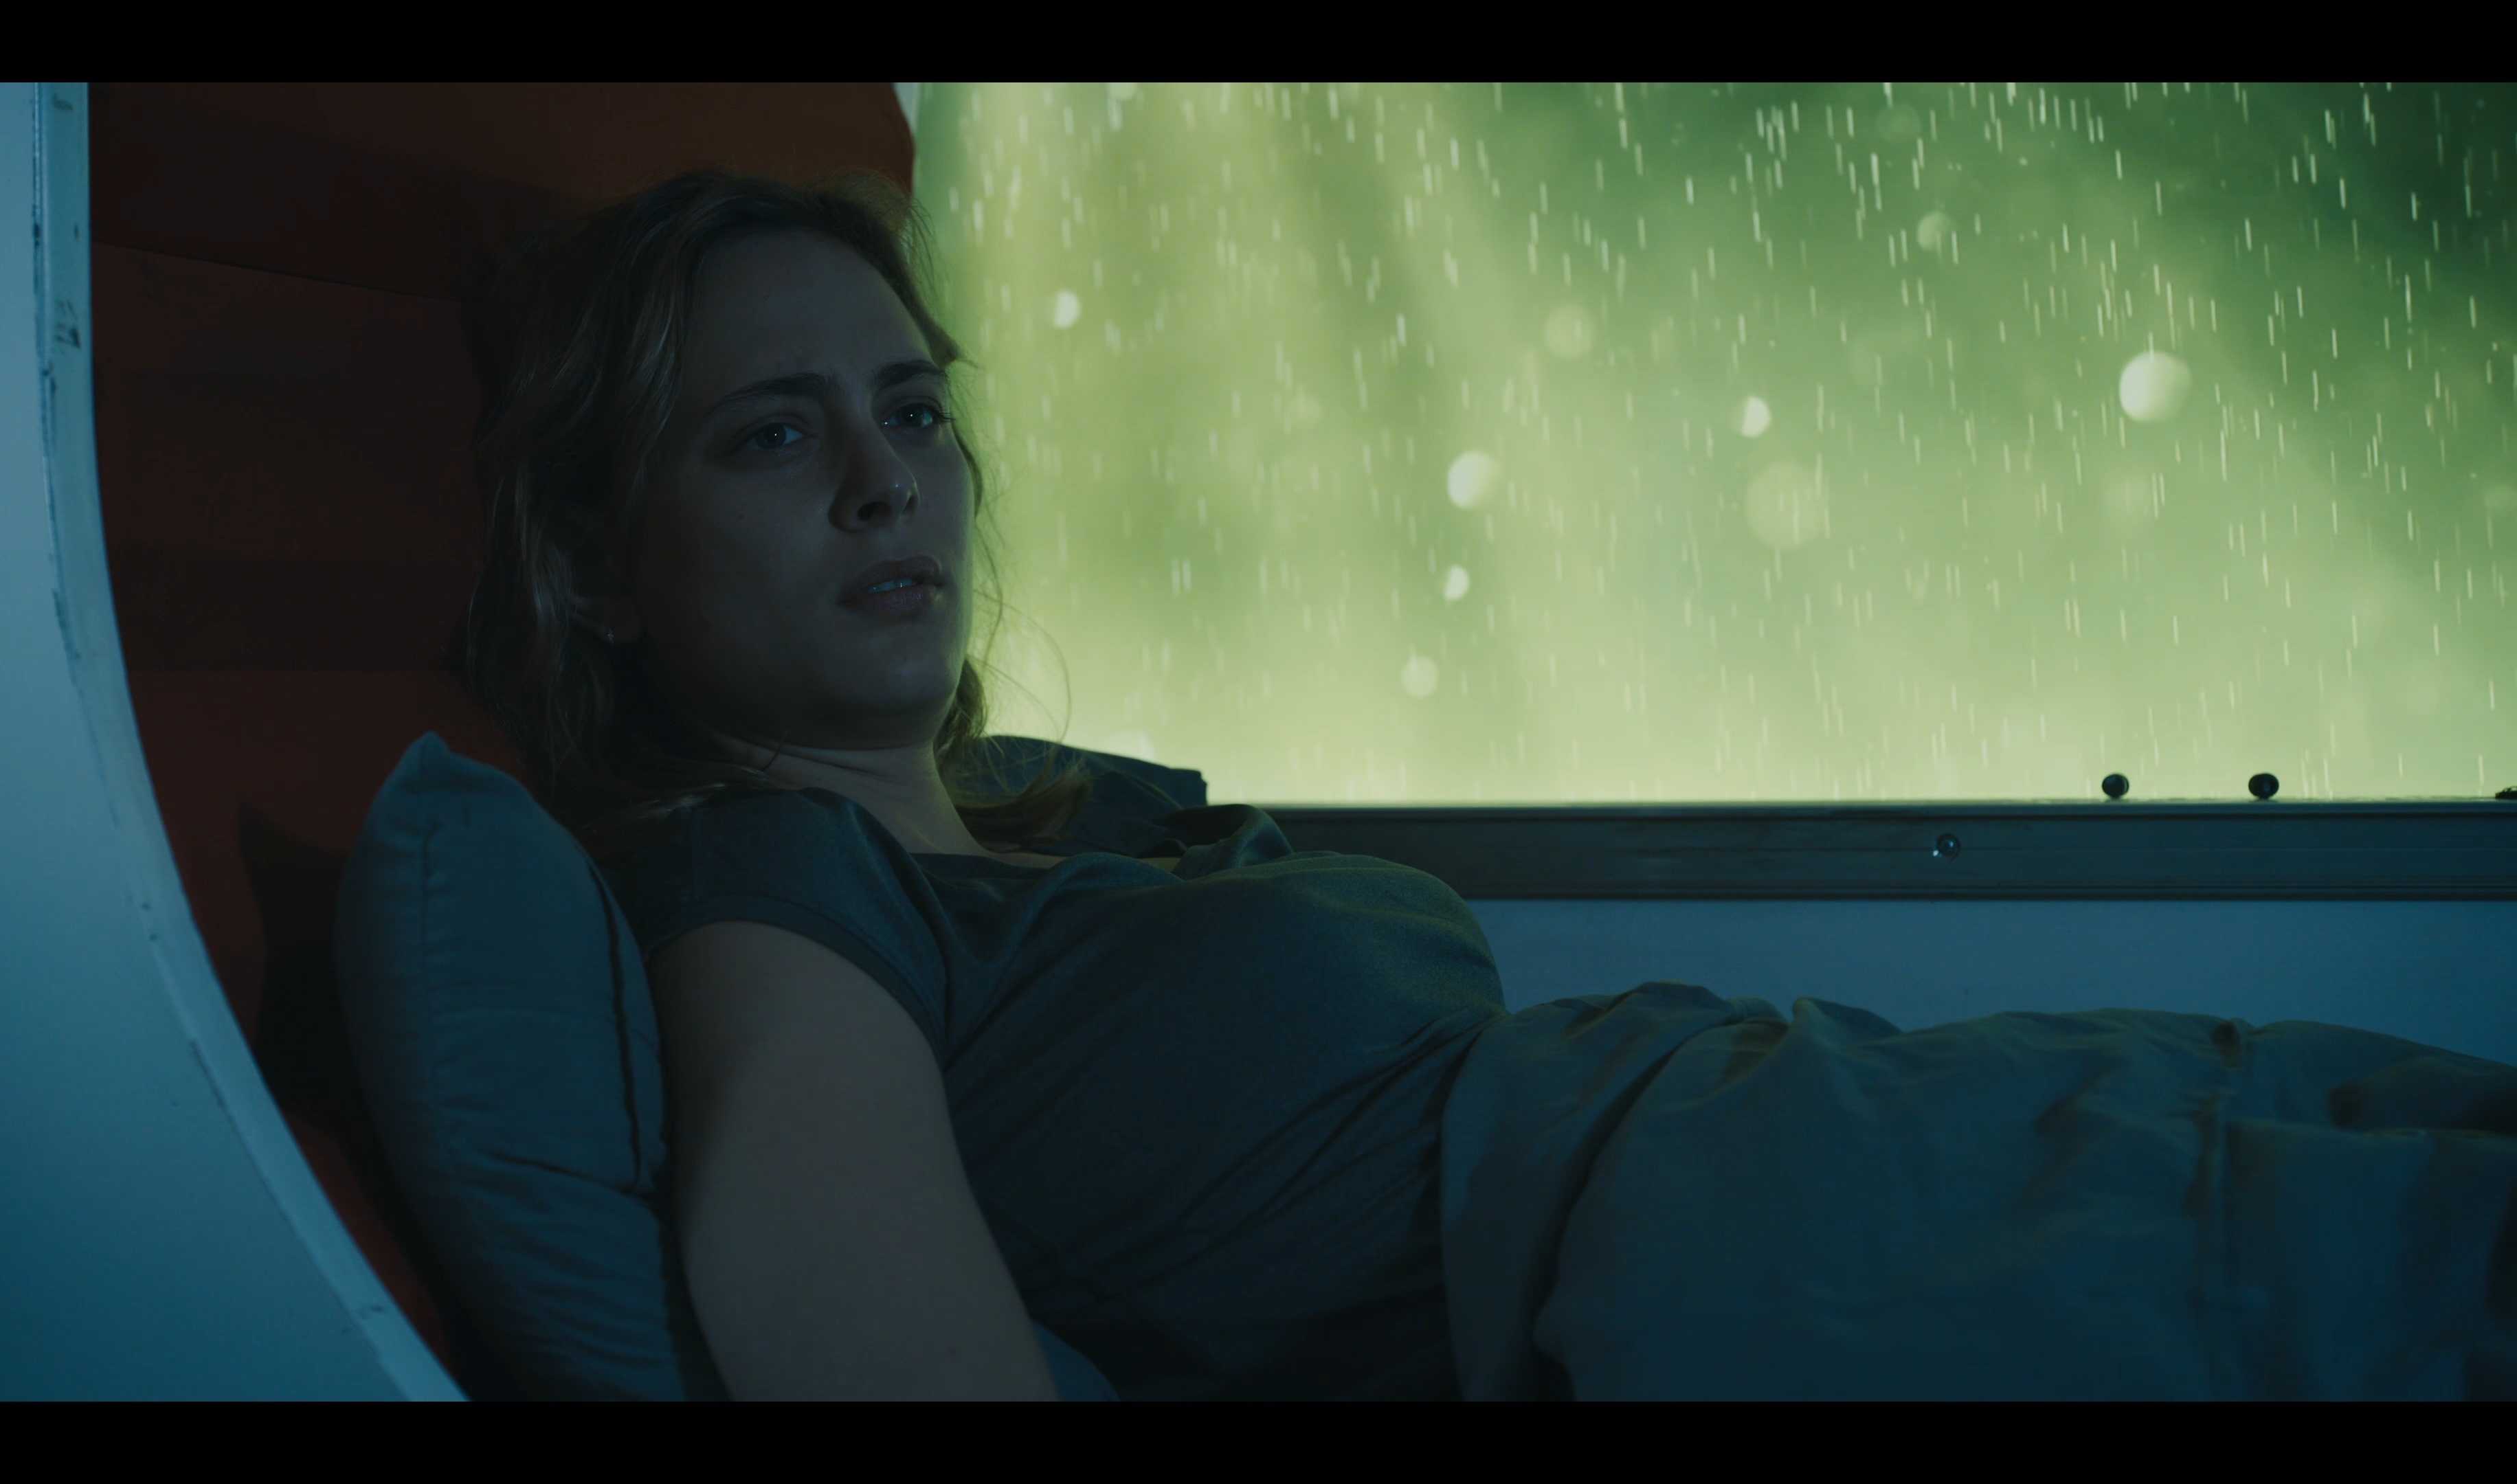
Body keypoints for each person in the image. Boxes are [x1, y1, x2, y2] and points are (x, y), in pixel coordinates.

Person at [462, 170, 2517, 1402]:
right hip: (1711, 1246)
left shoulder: (1036, 810)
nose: (885, 479)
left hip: (1808, 1124)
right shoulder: (774, 892)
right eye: (771, 435)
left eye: (912, 410)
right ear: (593, 568)